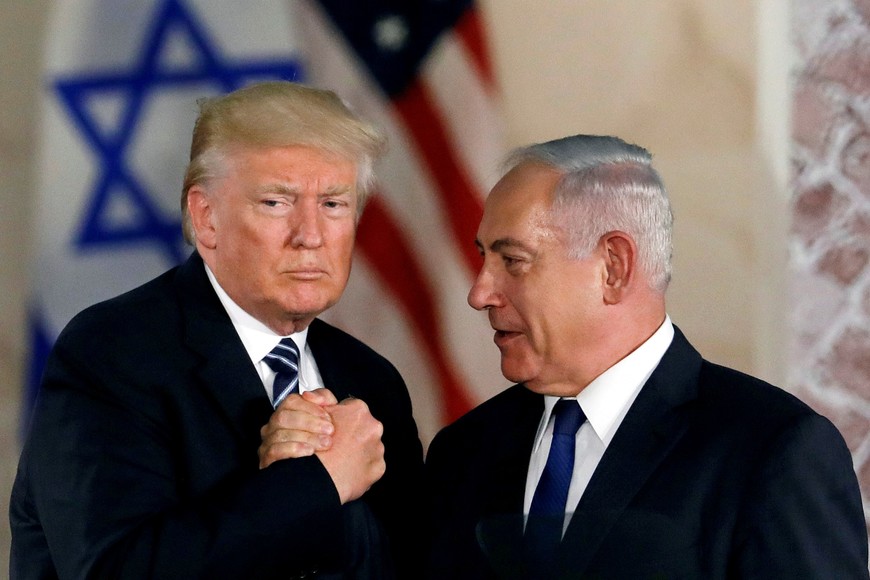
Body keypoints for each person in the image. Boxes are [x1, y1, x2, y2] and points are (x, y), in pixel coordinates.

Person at [10, 81, 424, 579]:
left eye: (333, 204)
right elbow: (115, 569)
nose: (310, 236)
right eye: (277, 202)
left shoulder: (372, 380)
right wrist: (314, 483)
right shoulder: (113, 353)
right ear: (205, 218)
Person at [424, 134, 869, 579]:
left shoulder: (773, 452)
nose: (479, 293)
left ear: (613, 267)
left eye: (513, 261)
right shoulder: (462, 454)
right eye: (484, 259)